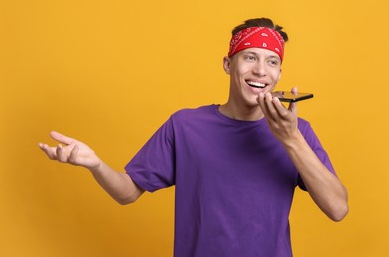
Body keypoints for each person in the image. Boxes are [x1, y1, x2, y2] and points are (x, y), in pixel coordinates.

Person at [39, 17, 348, 257]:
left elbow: (338, 209)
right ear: (229, 64)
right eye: (249, 57)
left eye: (272, 62)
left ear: (279, 73)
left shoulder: (296, 130)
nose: (261, 71)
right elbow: (127, 192)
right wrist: (95, 164)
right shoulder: (185, 126)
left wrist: (290, 139)